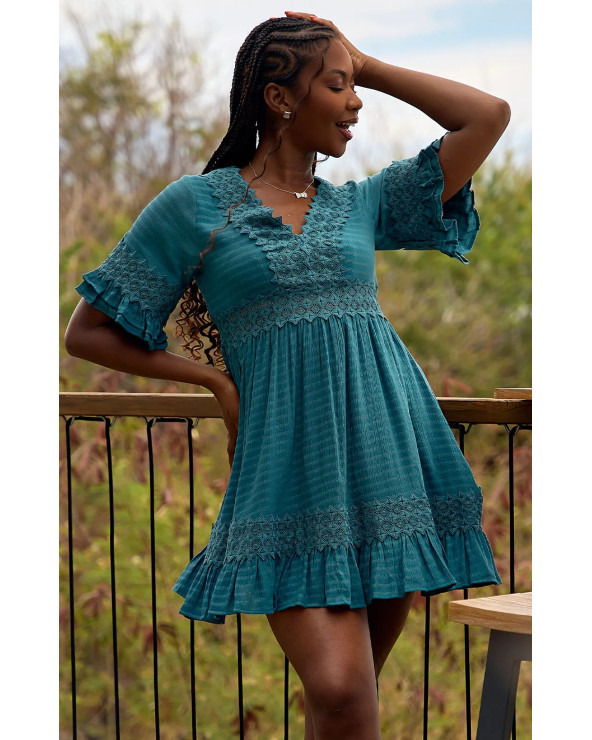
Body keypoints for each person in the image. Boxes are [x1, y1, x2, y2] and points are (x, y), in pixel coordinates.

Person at [65, 11, 510, 739]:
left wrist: (365, 64)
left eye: (353, 85)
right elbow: (89, 332)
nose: (355, 103)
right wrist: (216, 383)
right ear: (279, 98)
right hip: (286, 474)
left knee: (345, 702)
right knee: (339, 690)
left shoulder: (362, 205)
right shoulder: (195, 206)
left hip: (390, 461)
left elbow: (487, 117)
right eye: (336, 86)